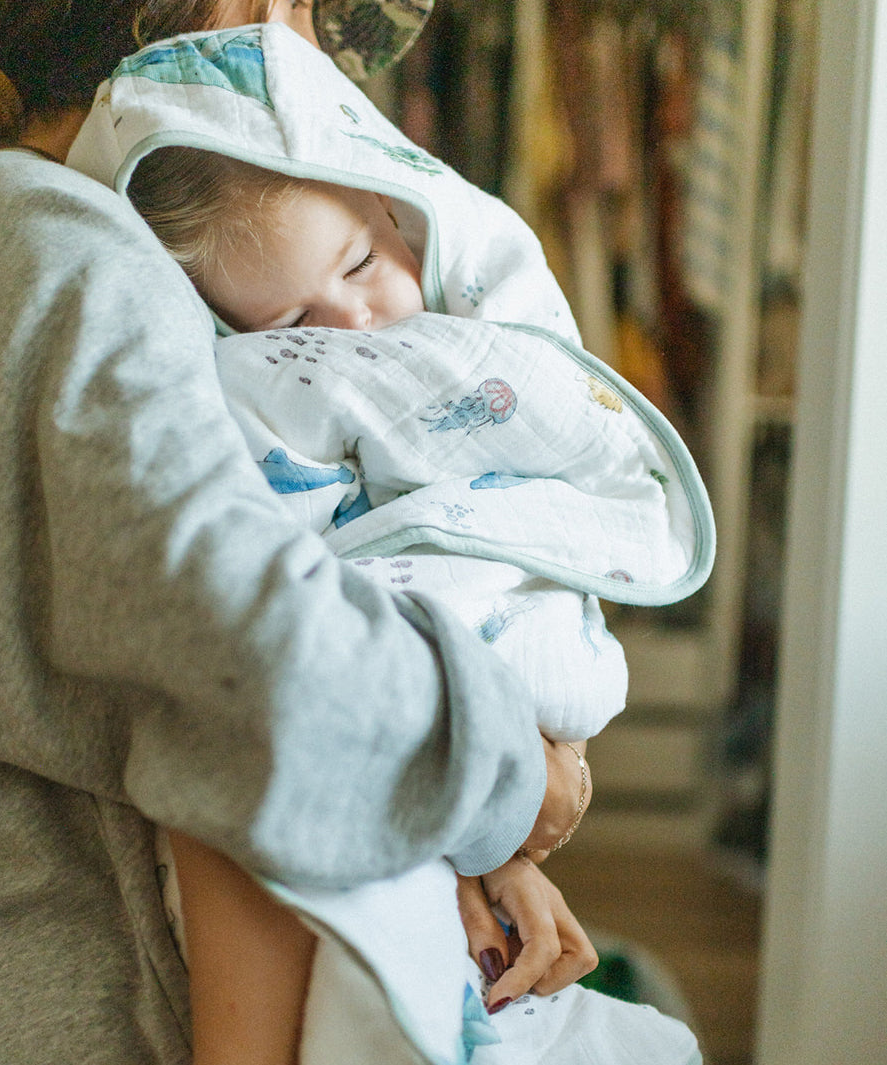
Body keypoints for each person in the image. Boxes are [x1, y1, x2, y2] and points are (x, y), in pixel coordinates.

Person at [0, 3, 608, 1064]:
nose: (311, 48)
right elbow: (254, 664)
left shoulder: (21, 230)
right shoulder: (57, 246)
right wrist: (517, 778)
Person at [67, 22, 714, 1065]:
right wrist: (489, 826)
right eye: (295, 324)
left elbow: (539, 494)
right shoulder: (227, 398)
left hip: (467, 756)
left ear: (393, 204)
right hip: (376, 748)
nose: (358, 329)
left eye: (365, 262)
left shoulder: (468, 326)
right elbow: (283, 614)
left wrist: (506, 811)